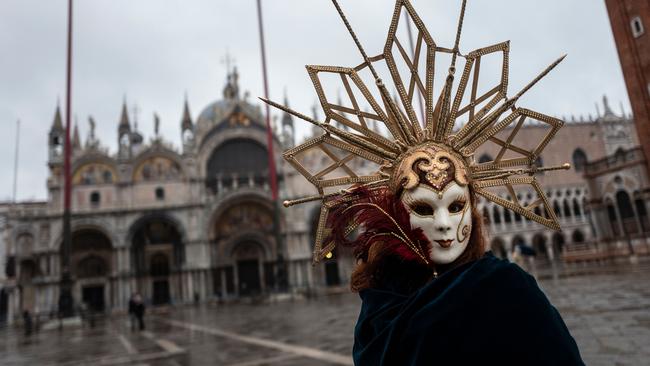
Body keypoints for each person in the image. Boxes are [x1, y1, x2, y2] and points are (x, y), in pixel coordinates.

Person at [269, 0, 584, 364]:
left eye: (455, 205)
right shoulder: (380, 307)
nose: (444, 224)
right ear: (396, 215)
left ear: (472, 203)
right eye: (422, 207)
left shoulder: (504, 293)